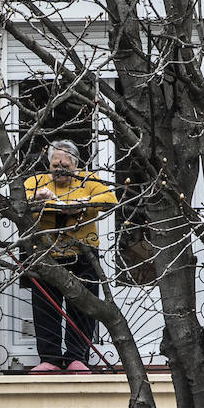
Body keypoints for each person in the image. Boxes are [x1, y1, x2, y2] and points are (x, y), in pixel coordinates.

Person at [22, 140, 117, 373]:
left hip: (82, 253)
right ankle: (50, 359)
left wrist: (83, 203)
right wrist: (37, 198)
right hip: (46, 255)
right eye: (55, 164)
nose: (60, 169)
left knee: (83, 306)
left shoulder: (88, 180)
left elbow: (110, 200)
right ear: (49, 164)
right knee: (46, 306)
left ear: (75, 165)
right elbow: (19, 202)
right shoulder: (35, 181)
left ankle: (77, 357)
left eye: (65, 165)